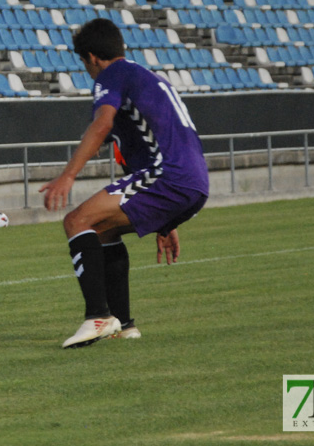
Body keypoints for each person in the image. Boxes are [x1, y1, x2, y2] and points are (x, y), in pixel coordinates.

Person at [39, 18, 209, 349]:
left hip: (169, 175)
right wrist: (165, 219)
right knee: (103, 230)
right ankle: (125, 324)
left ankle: (98, 317)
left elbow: (101, 124)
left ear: (91, 57)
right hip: (192, 179)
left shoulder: (112, 75)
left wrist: (68, 175)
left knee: (77, 221)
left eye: (84, 63)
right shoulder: (149, 78)